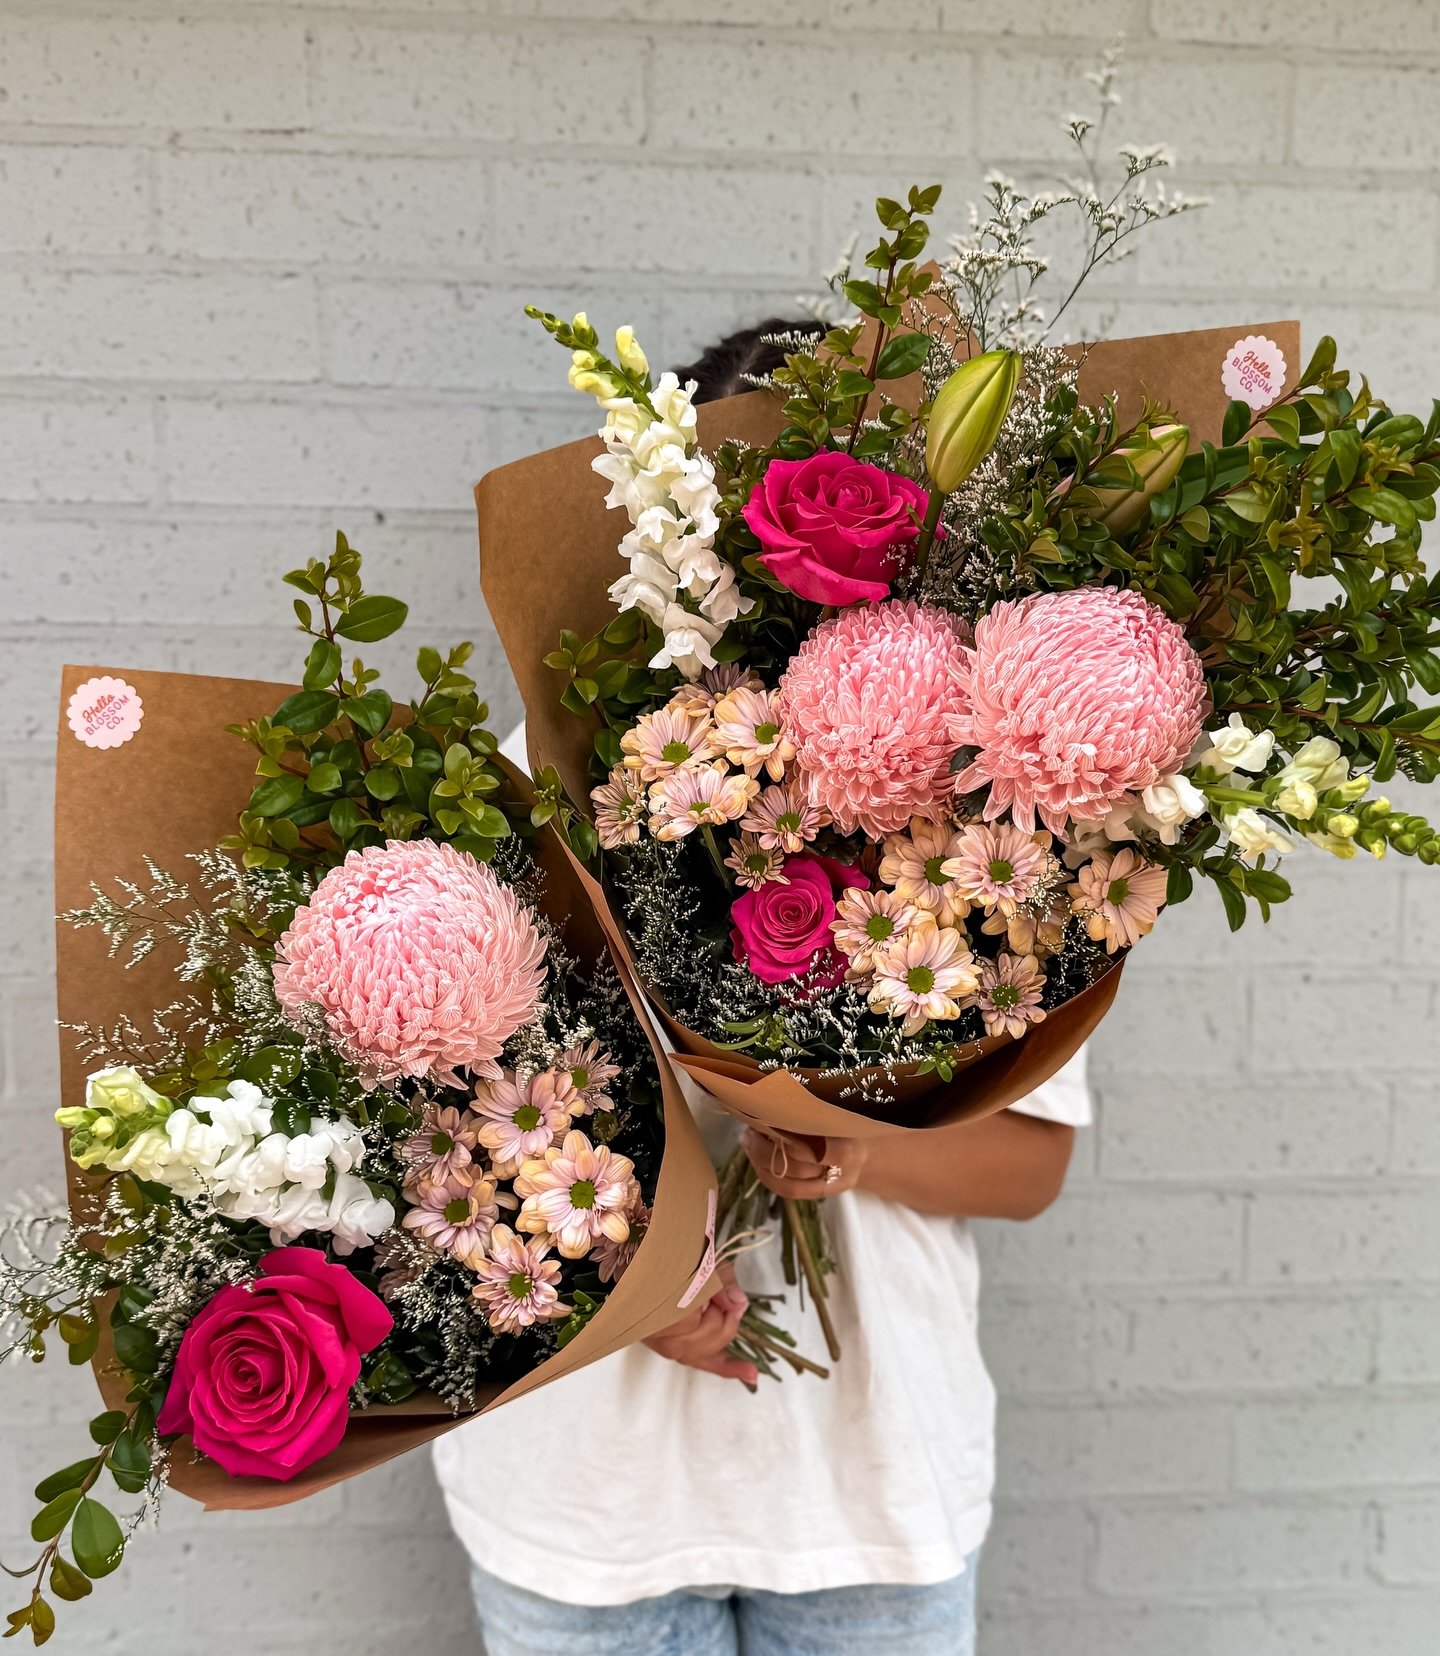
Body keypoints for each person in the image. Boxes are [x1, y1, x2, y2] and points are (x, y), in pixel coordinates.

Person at [434, 319, 1092, 1656]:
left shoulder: (982, 810)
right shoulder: (548, 770)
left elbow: (1029, 1166)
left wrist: (854, 1142)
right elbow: (444, 1113)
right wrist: (626, 1280)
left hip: (870, 1493)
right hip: (589, 1496)